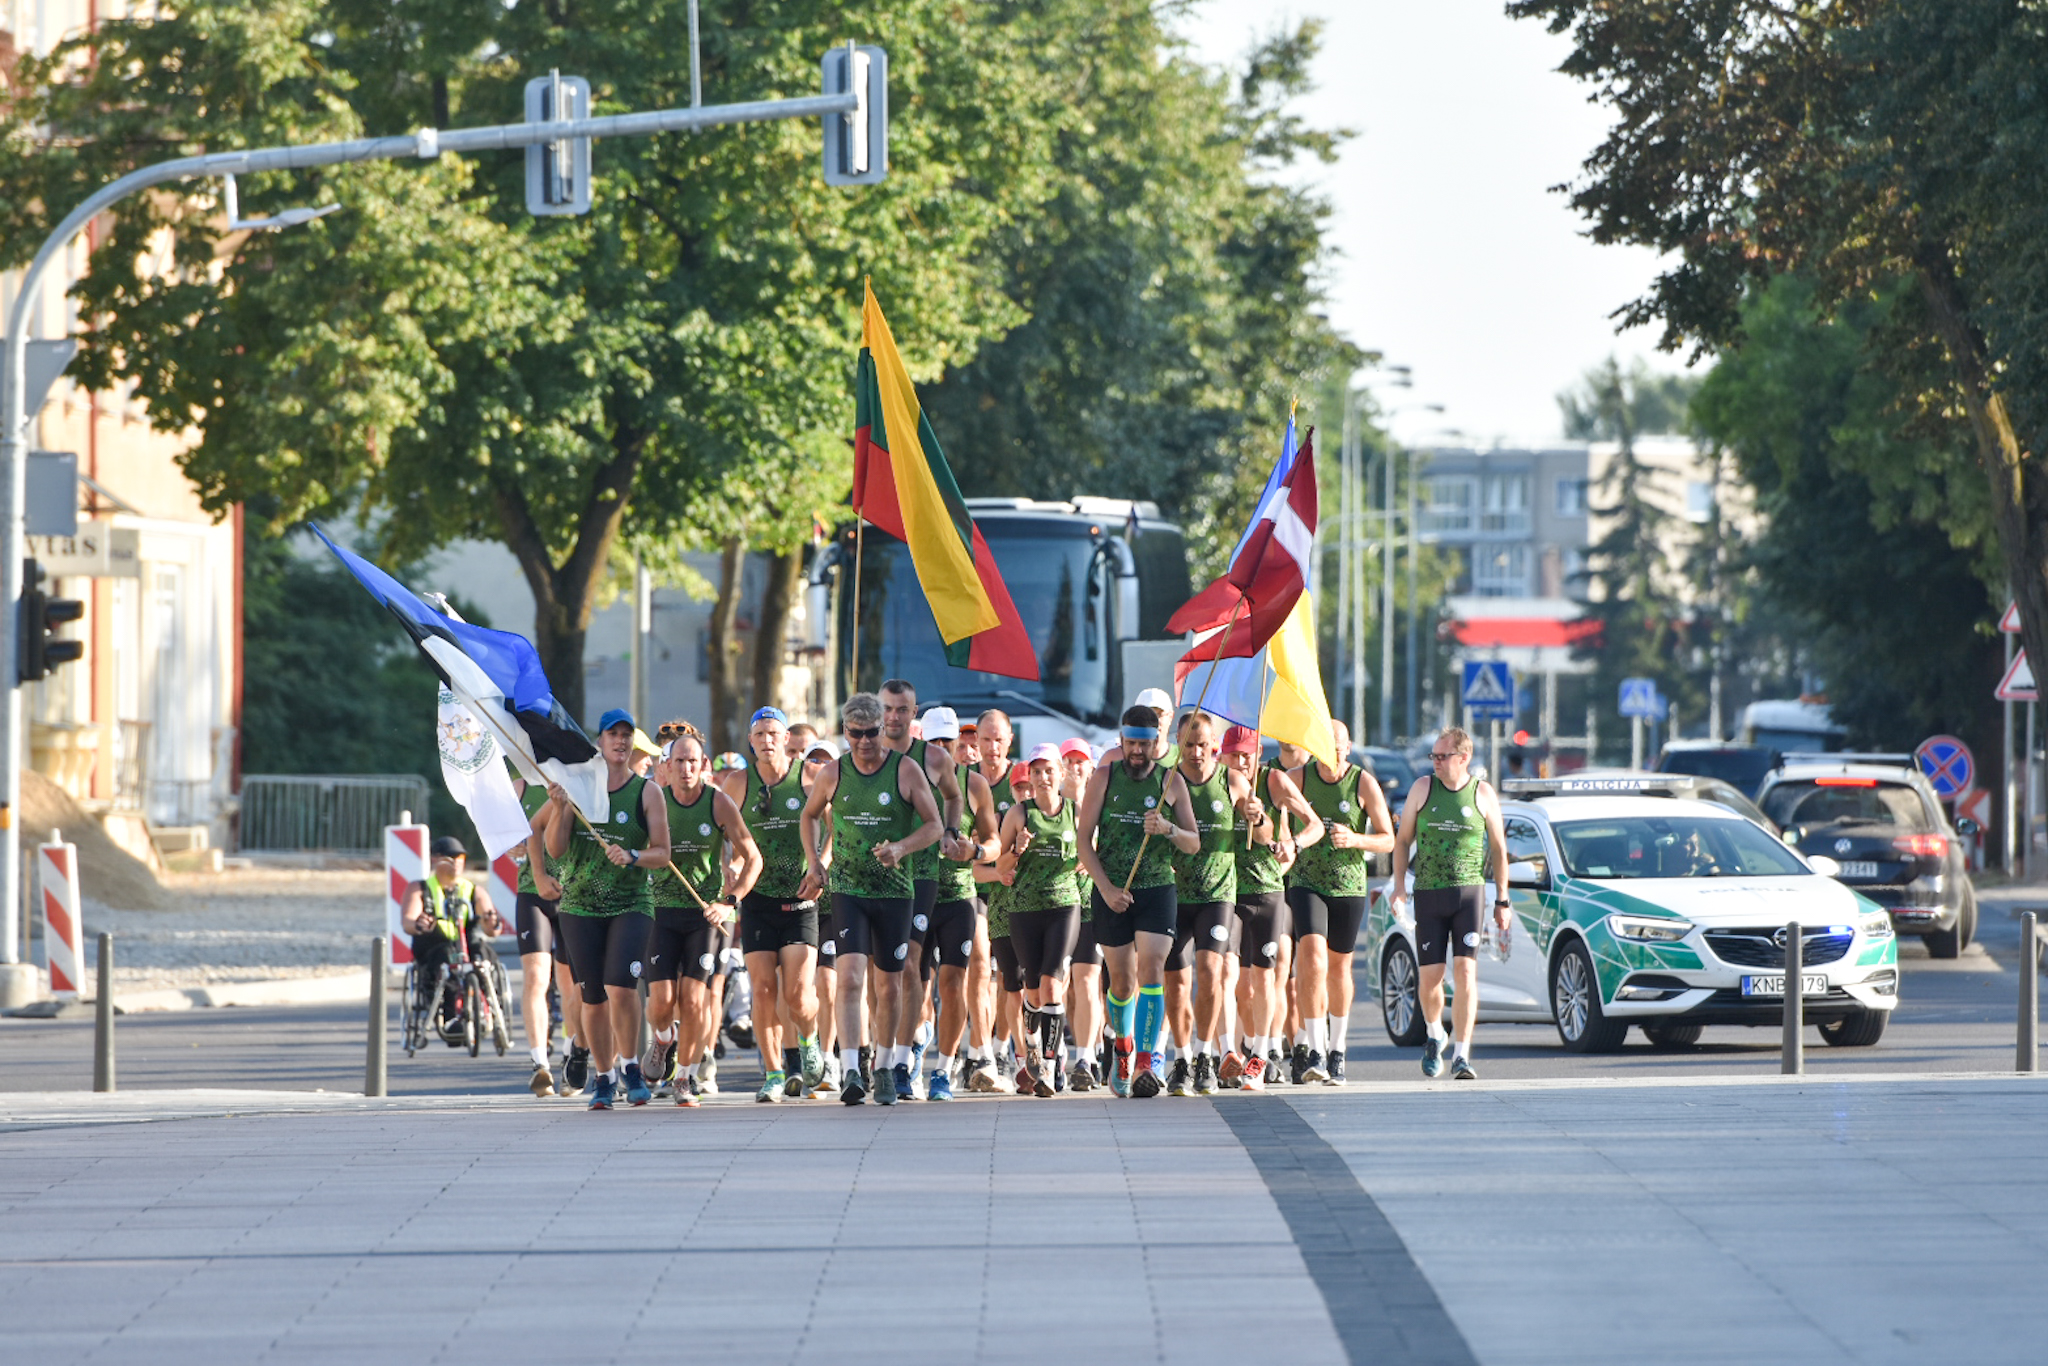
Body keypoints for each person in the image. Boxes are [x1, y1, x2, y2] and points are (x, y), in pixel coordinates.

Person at [800, 692, 944, 1105]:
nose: (864, 742)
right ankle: (850, 1069)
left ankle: (883, 1066)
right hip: (848, 889)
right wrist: (815, 862)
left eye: (871, 733)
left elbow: (934, 825)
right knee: (848, 978)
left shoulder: (905, 769)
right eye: (855, 733)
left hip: (895, 891)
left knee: (889, 984)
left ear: (883, 729)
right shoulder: (834, 772)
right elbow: (809, 815)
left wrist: (901, 847)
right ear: (845, 733)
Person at [542, 708, 670, 1110]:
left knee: (621, 985)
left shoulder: (647, 792)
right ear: (599, 741)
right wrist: (559, 808)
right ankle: (603, 1076)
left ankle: (630, 1066)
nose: (620, 741)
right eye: (613, 734)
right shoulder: (577, 787)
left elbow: (663, 853)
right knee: (593, 995)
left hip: (631, 902)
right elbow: (555, 850)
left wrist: (633, 856)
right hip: (580, 905)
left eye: (626, 735)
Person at [1076, 704, 1201, 1098]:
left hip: (1157, 888)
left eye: (1143, 745)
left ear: (1156, 743)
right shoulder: (1104, 777)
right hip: (1112, 889)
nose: (1136, 751)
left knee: (1152, 968)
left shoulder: (1170, 782)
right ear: (1121, 740)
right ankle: (1123, 1047)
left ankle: (1145, 1061)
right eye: (1130, 742)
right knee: (1121, 981)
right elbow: (1083, 842)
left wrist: (1168, 829)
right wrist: (1106, 889)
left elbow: (1193, 843)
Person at [643, 728, 761, 1107]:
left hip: (704, 914)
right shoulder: (654, 800)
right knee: (661, 1003)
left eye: (693, 761)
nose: (686, 768)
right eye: (679, 761)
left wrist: (729, 902)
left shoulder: (718, 802)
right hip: (659, 910)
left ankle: (685, 1076)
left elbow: (753, 858)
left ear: (704, 765)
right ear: (667, 766)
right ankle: (664, 1039)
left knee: (694, 1000)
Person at [1388, 726, 1511, 1081]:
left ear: (1464, 757)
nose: (1436, 762)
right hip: (1429, 893)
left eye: (1443, 756)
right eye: (1434, 756)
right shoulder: (1422, 788)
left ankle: (1461, 1054)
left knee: (1466, 972)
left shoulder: (1482, 793)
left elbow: (1499, 849)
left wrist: (1503, 900)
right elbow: (1402, 841)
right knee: (1431, 979)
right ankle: (1434, 1034)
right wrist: (1399, 887)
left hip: (1469, 893)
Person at [717, 706, 826, 1100]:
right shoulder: (737, 783)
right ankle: (774, 1072)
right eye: (759, 734)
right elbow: (722, 835)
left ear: (786, 739)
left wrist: (821, 866)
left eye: (773, 734)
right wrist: (727, 867)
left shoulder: (809, 776)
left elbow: (834, 826)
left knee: (797, 995)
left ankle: (809, 1040)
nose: (767, 741)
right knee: (762, 990)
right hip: (758, 899)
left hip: (800, 898)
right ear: (751, 740)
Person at [1282, 719, 1394, 1085]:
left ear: (1348, 747)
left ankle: (1337, 1050)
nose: (1333, 752)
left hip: (1348, 886)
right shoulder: (1298, 779)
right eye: (1325, 745)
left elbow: (1388, 839)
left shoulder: (1362, 782)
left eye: (1339, 745)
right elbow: (1277, 814)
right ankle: (1315, 1048)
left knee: (1339, 969)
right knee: (1312, 959)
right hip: (1306, 881)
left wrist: (1356, 839)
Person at [879, 680, 970, 1100]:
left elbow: (953, 797)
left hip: (920, 874)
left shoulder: (933, 758)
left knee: (910, 964)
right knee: (881, 974)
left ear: (913, 713)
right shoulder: (864, 755)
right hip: (874, 876)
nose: (894, 717)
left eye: (902, 709)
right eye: (887, 709)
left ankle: (900, 1062)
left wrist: (950, 831)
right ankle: (879, 1054)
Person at [1219, 726, 1322, 1090]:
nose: (1240, 762)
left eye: (1246, 755)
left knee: (1263, 979)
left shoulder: (1273, 780)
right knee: (1227, 974)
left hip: (1266, 890)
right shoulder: (1215, 782)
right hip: (1226, 891)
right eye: (1233, 755)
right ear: (1222, 755)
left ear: (1259, 754)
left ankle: (1260, 1056)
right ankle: (1227, 1052)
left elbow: (1315, 826)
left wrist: (1293, 844)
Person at [1158, 713, 1255, 1095]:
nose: (1197, 752)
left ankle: (1204, 1057)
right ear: (1177, 742)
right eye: (1189, 744)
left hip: (1217, 893)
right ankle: (1181, 1059)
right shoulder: (1167, 781)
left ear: (1214, 744)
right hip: (1174, 893)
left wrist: (1257, 815)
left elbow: (1263, 830)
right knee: (1177, 983)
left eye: (1203, 745)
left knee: (1211, 972)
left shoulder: (1231, 780)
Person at [987, 743, 1083, 1098]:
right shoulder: (1018, 814)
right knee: (1032, 990)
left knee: (1052, 985)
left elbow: (1089, 854)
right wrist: (1018, 849)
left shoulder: (1074, 811)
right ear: (1030, 775)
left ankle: (1049, 1065)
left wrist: (1082, 865)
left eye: (1050, 771)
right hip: (1024, 909)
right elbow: (1000, 866)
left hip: (1064, 906)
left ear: (1061, 774)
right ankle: (1031, 1047)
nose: (1043, 778)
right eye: (1037, 771)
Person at [918, 707, 1000, 1100]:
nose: (941, 749)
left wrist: (976, 851)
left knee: (953, 985)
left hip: (958, 897)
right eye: (933, 742)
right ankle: (910, 1056)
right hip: (914, 895)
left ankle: (943, 1069)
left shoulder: (974, 783)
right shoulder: (907, 776)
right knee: (914, 988)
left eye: (947, 742)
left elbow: (994, 842)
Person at [511, 771, 581, 1097]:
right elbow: (501, 832)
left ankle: (570, 1056)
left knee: (570, 983)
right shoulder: (519, 787)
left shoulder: (576, 781)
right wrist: (511, 845)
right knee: (536, 976)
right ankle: (539, 1063)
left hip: (572, 892)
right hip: (532, 891)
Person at [967, 710, 1026, 1092]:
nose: (991, 747)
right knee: (979, 965)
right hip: (975, 888)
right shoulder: (966, 783)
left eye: (998, 739)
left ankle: (1000, 1047)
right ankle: (980, 1051)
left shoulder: (1021, 783)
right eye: (985, 739)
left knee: (1008, 977)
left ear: (1009, 741)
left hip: (1013, 892)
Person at [401, 836, 506, 1045]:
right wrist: (419, 923)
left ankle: (488, 1008)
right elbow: (408, 921)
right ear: (435, 859)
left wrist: (492, 922)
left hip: (467, 943)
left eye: (460, 858)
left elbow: (491, 928)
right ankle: (451, 1018)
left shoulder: (474, 890)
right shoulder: (420, 888)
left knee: (483, 956)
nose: (456, 863)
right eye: (449, 858)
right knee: (445, 959)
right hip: (434, 945)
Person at [1059, 737, 1104, 1090]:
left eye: (1080, 762)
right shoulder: (1046, 804)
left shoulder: (1099, 800)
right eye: (1068, 762)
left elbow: (1097, 845)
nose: (1075, 768)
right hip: (1056, 907)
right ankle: (1062, 1049)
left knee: (1088, 979)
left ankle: (1087, 1057)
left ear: (1091, 767)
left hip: (1091, 903)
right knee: (1065, 986)